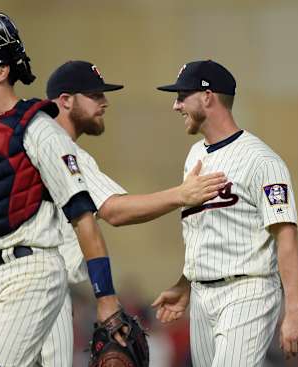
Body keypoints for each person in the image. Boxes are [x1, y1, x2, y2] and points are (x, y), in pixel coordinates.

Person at [0, 11, 126, 367]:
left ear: (2, 71)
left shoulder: (39, 130)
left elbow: (83, 216)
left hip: (32, 270)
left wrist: (106, 297)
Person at [38, 60, 229, 366]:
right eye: (95, 95)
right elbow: (114, 210)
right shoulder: (59, 146)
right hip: (40, 285)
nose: (105, 102)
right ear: (65, 100)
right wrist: (181, 194)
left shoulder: (28, 137)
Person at [151, 60, 298, 366]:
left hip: (248, 290)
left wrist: (295, 312)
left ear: (208, 97)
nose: (176, 105)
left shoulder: (261, 160)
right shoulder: (195, 155)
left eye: (183, 96)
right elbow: (204, 232)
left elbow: (286, 237)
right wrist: (185, 284)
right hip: (201, 295)